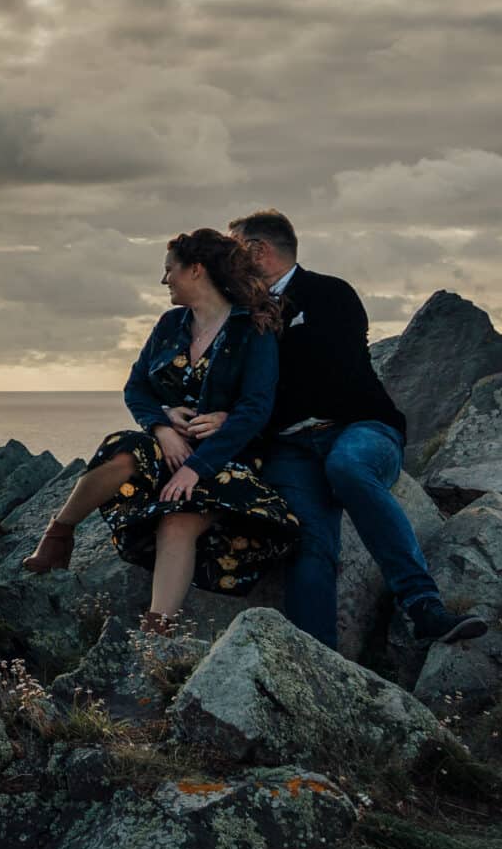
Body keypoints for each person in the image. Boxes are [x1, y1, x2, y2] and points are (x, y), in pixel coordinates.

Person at [224, 208, 488, 649]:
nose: (229, 264)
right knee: (308, 542)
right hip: (290, 448)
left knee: (347, 469)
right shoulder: (239, 313)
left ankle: (424, 606)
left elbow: (334, 373)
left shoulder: (330, 293)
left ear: (258, 250)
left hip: (360, 427)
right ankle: (317, 660)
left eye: (235, 251)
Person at [18, 228, 302, 634]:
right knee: (123, 449)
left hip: (225, 456)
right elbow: (136, 388)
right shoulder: (170, 325)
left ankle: (158, 632)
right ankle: (59, 535)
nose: (164, 279)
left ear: (196, 270)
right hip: (165, 446)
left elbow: (255, 409)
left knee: (180, 519)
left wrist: (195, 467)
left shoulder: (251, 330)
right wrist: (162, 424)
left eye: (170, 270)